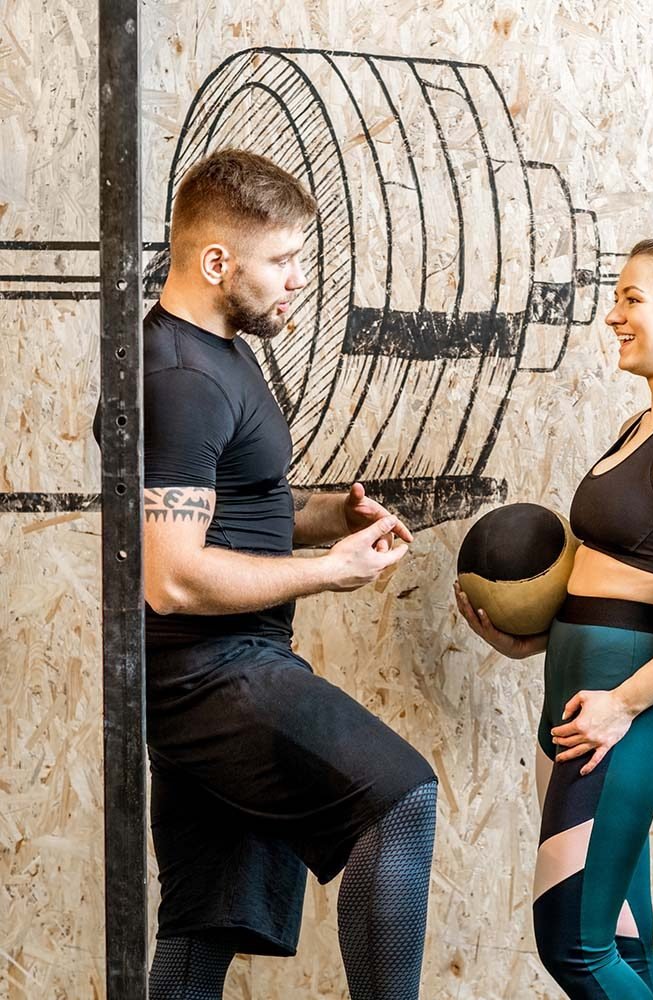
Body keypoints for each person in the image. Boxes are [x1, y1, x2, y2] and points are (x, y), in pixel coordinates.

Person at [95, 148, 437, 1000]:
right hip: (208, 678)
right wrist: (329, 571)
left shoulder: (219, 351)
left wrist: (330, 516)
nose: (296, 282)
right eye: (282, 261)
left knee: (202, 926)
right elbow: (172, 579)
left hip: (211, 674)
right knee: (401, 801)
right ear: (217, 262)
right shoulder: (176, 378)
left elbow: (231, 507)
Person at [455, 237, 653, 999]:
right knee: (625, 944)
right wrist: (529, 639)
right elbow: (608, 584)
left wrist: (623, 705)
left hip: (619, 716)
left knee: (576, 947)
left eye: (632, 298)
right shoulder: (642, 426)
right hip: (577, 700)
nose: (613, 316)